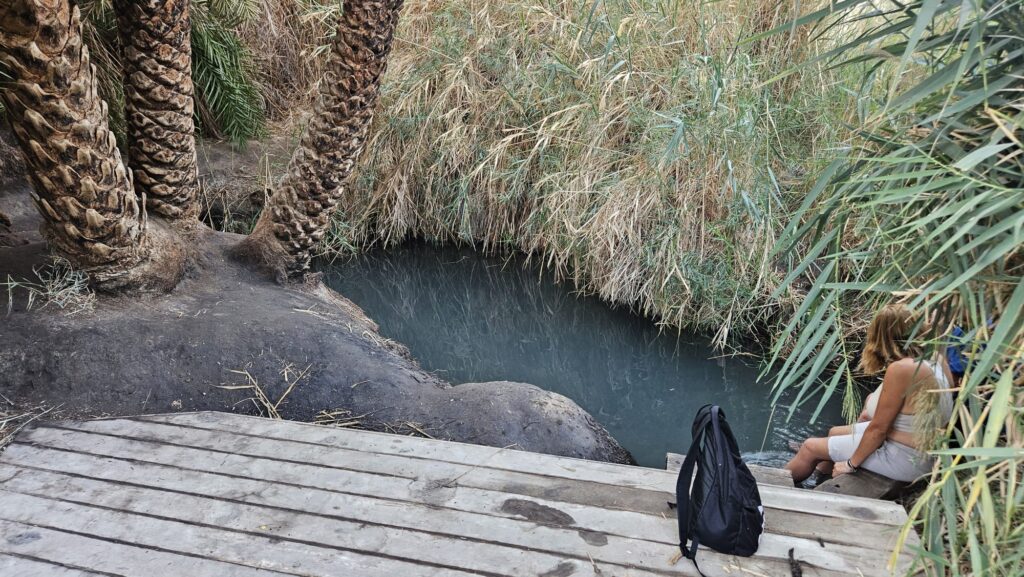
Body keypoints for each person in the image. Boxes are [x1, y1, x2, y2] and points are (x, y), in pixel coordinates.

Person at [785, 304, 954, 484]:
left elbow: (878, 430)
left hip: (907, 459)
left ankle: (774, 484)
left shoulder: (902, 369)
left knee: (810, 447)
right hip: (924, 449)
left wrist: (850, 463)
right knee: (834, 432)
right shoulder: (935, 357)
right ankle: (823, 480)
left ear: (880, 334)